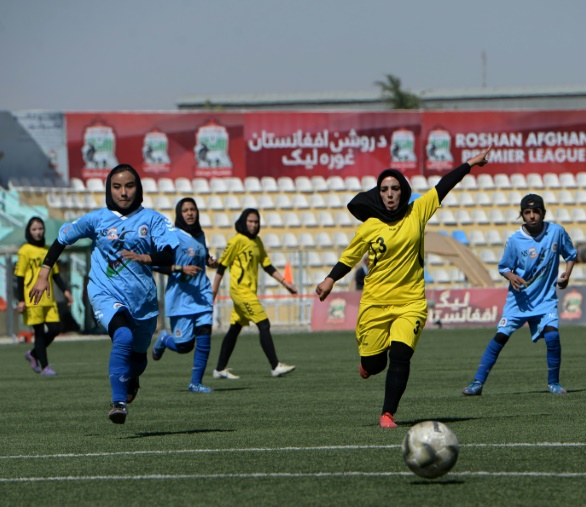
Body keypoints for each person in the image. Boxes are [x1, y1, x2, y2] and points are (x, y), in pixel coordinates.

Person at [315, 147, 492, 429]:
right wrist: (329, 279)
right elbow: (348, 258)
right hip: (375, 303)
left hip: (410, 303)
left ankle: (388, 413)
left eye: (395, 188)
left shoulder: (417, 212)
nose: (389, 193)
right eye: (384, 189)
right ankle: (367, 365)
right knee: (375, 365)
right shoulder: (369, 227)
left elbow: (443, 186)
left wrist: (469, 163)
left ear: (403, 191)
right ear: (378, 192)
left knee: (400, 354)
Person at [29, 164, 178, 424]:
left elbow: (168, 253)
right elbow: (62, 239)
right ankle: (118, 403)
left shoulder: (153, 219)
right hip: (104, 292)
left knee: (138, 358)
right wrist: (44, 273)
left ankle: (132, 377)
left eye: (129, 186)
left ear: (138, 188)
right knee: (123, 335)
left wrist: (146, 257)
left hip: (142, 301)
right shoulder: (97, 219)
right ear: (109, 189)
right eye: (117, 186)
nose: (123, 192)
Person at [462, 193, 576, 397]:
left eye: (536, 212)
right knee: (500, 337)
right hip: (519, 300)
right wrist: (511, 276)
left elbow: (571, 255)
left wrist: (567, 274)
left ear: (543, 213)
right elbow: (504, 267)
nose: (532, 216)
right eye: (527, 212)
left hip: (545, 299)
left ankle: (554, 383)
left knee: (553, 336)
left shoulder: (556, 232)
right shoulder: (515, 240)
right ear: (522, 215)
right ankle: (477, 382)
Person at [211, 208, 298, 380]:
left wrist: (286, 284)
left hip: (249, 292)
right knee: (263, 324)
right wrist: (213, 291)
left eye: (256, 222)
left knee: (235, 328)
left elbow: (267, 266)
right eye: (250, 221)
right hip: (240, 291)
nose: (253, 224)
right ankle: (275, 366)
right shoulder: (236, 241)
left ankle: (220, 369)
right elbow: (222, 266)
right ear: (243, 222)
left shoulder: (257, 241)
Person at [151, 198, 217, 393]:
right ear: (179, 214)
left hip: (202, 294)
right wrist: (181, 268)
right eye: (185, 210)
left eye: (193, 209)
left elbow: (201, 256)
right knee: (184, 346)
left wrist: (210, 261)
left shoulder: (200, 235)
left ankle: (195, 383)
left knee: (205, 335)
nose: (190, 213)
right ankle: (164, 339)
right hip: (180, 298)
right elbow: (155, 263)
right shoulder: (172, 237)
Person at [15, 217, 73, 376]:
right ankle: (45, 367)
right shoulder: (25, 250)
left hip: (48, 297)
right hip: (32, 297)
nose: (38, 232)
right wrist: (21, 300)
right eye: (34, 229)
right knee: (39, 332)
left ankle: (33, 354)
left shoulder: (48, 249)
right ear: (29, 231)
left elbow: (55, 274)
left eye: (40, 228)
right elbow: (19, 276)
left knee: (55, 329)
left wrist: (66, 291)